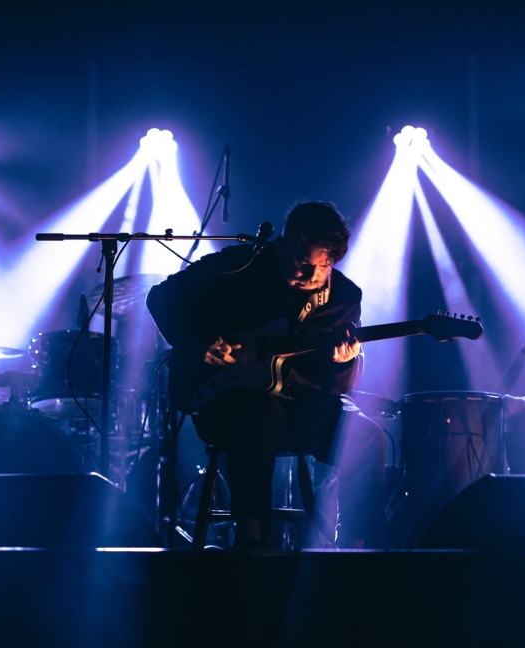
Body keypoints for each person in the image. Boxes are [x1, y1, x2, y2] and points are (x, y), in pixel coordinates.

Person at [147, 201, 387, 549]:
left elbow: (335, 388)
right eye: (301, 262)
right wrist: (199, 344)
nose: (310, 275)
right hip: (223, 400)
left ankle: (354, 547)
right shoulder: (240, 265)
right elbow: (161, 297)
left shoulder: (344, 297)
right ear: (286, 241)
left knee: (367, 437)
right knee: (257, 413)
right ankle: (251, 543)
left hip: (298, 408)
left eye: (322, 267)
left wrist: (341, 362)